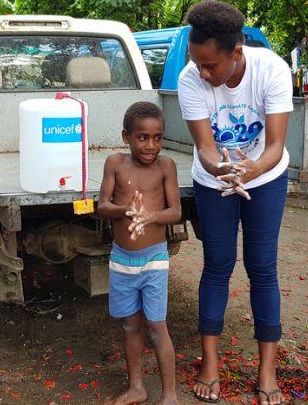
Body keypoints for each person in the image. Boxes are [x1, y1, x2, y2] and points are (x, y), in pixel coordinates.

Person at [178, 1, 293, 405]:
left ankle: (267, 369)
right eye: (197, 63)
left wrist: (252, 170)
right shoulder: (190, 78)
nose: (202, 73)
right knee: (218, 263)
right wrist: (225, 171)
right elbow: (207, 149)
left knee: (262, 266)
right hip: (214, 180)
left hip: (266, 176)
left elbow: (276, 146)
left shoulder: (272, 70)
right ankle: (209, 362)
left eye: (210, 65)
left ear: (236, 53)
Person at [98, 101, 182, 405]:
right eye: (142, 138)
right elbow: (102, 206)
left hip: (154, 259)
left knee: (157, 327)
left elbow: (175, 211)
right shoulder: (115, 164)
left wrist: (151, 216)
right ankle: (137, 387)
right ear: (126, 136)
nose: (151, 145)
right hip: (122, 260)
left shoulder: (166, 166)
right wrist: (125, 210)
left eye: (157, 138)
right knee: (131, 325)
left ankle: (169, 395)